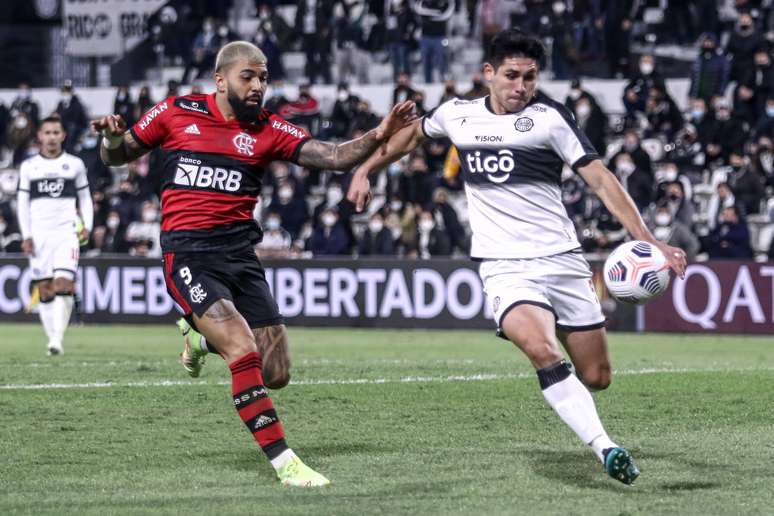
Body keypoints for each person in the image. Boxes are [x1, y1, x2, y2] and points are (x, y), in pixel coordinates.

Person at [346, 29, 687, 485]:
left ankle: (562, 362)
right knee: (542, 350)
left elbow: (602, 180)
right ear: (488, 74)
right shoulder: (458, 115)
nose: (521, 87)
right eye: (511, 76)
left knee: (598, 376)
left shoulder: (549, 119)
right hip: (503, 266)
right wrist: (366, 168)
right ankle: (606, 448)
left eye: (529, 77)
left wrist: (650, 241)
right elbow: (409, 138)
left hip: (563, 262)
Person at [90, 41, 414, 487]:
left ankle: (200, 339)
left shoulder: (269, 129)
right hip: (188, 254)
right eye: (249, 76)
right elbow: (117, 155)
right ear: (220, 80)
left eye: (263, 77)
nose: (259, 85)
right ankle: (286, 464)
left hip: (240, 256)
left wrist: (379, 133)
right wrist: (109, 136)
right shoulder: (175, 112)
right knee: (242, 349)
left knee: (276, 372)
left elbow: (335, 157)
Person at [16, 116, 93, 355]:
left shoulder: (75, 164)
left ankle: (57, 340)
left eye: (55, 132)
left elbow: (85, 198)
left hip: (66, 232)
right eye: (47, 132)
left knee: (64, 283)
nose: (51, 137)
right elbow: (21, 203)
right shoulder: (29, 166)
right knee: (46, 289)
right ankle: (52, 339)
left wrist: (86, 226)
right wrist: (26, 235)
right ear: (39, 136)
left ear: (63, 136)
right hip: (39, 236)